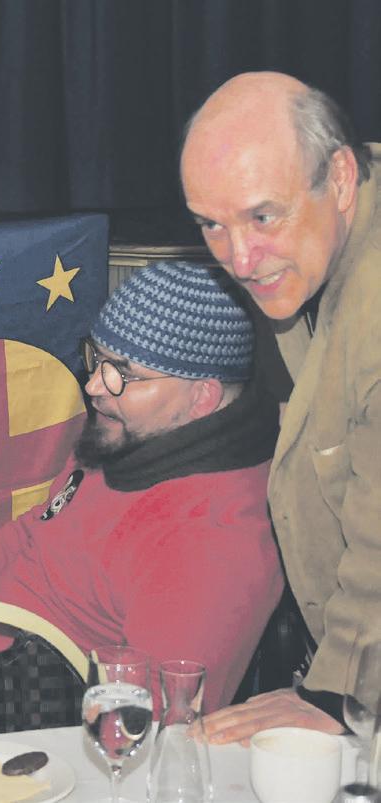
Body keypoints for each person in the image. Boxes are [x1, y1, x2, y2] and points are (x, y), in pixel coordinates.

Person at [0, 261, 283, 720]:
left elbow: (153, 725)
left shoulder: (211, 541)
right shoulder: (132, 435)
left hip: (35, 726)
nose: (93, 385)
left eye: (122, 373)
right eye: (97, 359)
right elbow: (39, 528)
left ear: (202, 397)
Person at [181, 71, 381, 744]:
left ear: (341, 178)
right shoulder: (312, 252)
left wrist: (335, 693)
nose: (239, 259)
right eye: (211, 224)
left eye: (262, 216)